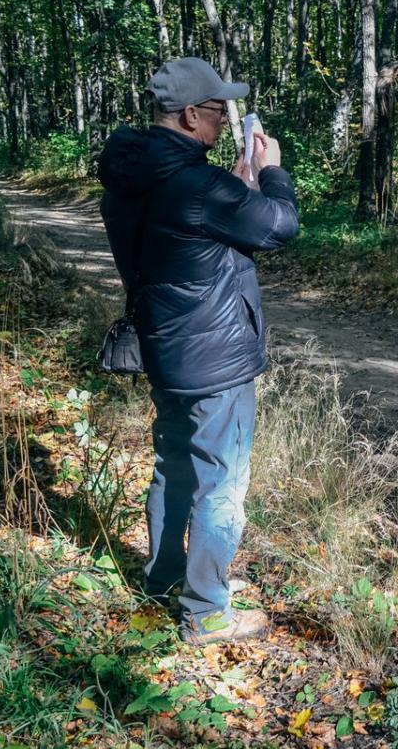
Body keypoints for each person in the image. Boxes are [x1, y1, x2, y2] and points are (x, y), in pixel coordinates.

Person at [98, 57, 299, 645]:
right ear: (190, 115)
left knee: (173, 467)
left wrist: (233, 189)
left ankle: (163, 578)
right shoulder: (198, 185)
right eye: (217, 111)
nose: (220, 122)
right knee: (222, 484)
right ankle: (208, 610)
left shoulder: (132, 177)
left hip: (164, 348)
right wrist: (270, 172)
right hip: (216, 361)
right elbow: (280, 227)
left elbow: (190, 240)